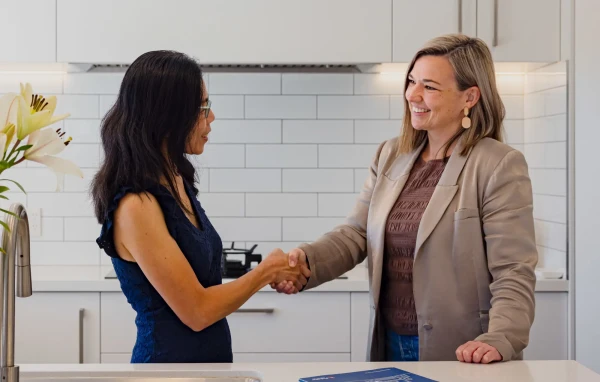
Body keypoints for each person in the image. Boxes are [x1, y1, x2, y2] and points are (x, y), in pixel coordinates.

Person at [272, 34, 538, 364]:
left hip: (465, 352)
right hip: (390, 342)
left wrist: (501, 337)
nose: (413, 94)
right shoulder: (391, 154)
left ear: (469, 96)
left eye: (430, 86)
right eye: (412, 81)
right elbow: (357, 233)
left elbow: (513, 270)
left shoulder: (497, 164)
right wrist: (307, 261)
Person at [91, 50, 310, 363]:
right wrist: (265, 272)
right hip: (165, 371)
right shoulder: (136, 205)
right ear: (168, 116)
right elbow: (197, 310)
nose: (211, 117)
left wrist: (270, 271)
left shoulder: (176, 180)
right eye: (202, 108)